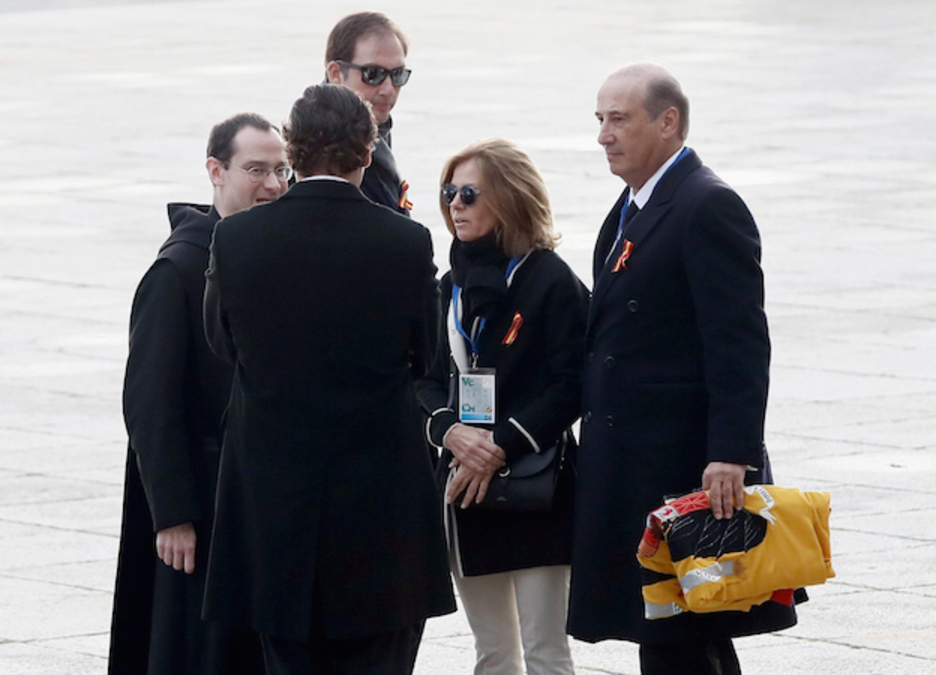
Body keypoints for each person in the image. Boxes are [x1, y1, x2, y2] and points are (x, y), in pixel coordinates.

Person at [201, 84, 455, 675]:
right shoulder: (405, 240)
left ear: (294, 151)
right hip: (379, 501)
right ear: (366, 154)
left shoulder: (236, 238)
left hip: (273, 494)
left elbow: (222, 342)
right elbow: (427, 355)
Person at [566, 63, 797, 674]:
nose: (603, 136)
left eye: (619, 119)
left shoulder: (707, 204)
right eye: (599, 120)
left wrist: (732, 453)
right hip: (633, 459)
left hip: (682, 464)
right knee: (679, 632)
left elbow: (740, 340)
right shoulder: (634, 203)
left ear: (668, 122)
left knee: (683, 633)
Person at [109, 112, 289, 674]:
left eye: (282, 170)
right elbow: (148, 402)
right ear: (216, 171)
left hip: (260, 504)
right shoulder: (179, 269)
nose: (273, 185)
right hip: (201, 512)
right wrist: (173, 515)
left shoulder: (276, 254)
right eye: (256, 170)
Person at [416, 139, 586, 675]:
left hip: (537, 485)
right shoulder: (449, 286)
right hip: (467, 488)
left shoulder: (552, 281)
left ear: (510, 198)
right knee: (493, 652)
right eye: (449, 193)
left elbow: (571, 384)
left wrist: (498, 444)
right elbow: (421, 379)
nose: (455, 205)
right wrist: (450, 433)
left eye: (469, 193)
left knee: (545, 651)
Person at [325, 11, 412, 214]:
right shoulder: (322, 144)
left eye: (397, 75)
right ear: (336, 74)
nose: (388, 89)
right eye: (373, 74)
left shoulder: (373, 127)